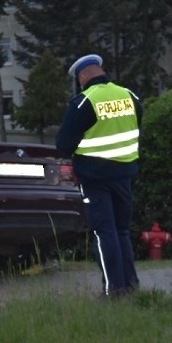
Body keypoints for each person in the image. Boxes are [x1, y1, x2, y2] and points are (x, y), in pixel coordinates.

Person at [56, 54, 142, 298]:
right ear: (100, 70)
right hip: (124, 174)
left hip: (94, 178)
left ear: (83, 76)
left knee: (104, 232)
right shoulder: (129, 96)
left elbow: (63, 144)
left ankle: (114, 289)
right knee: (122, 230)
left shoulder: (84, 102)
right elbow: (137, 131)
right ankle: (131, 285)